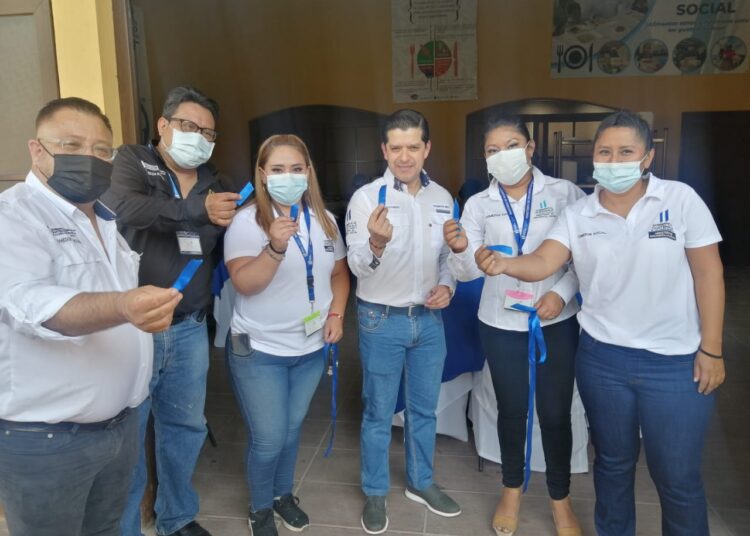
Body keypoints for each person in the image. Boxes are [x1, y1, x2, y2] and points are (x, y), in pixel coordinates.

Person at [475, 111, 725, 536]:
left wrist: (712, 349)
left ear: (647, 157)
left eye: (625, 152)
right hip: (603, 358)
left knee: (676, 475)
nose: (614, 161)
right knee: (612, 464)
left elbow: (709, 274)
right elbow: (544, 261)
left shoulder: (680, 199)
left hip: (673, 361)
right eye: (605, 152)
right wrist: (505, 264)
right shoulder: (580, 213)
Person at [0, 97, 182, 536]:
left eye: (102, 150)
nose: (89, 158)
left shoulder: (105, 220)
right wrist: (124, 306)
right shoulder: (14, 216)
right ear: (37, 150)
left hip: (117, 427)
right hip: (49, 439)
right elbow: (31, 304)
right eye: (72, 145)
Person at [102, 86, 240, 536]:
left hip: (188, 328)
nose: (199, 137)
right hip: (134, 328)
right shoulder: (132, 161)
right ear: (163, 125)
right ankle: (125, 527)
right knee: (128, 435)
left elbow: (216, 243)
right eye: (188, 126)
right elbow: (124, 208)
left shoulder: (215, 183)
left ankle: (176, 517)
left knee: (184, 428)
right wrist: (195, 210)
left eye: (208, 132)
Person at [443, 114, 585, 536]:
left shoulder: (564, 194)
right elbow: (467, 272)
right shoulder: (478, 204)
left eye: (510, 146)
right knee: (512, 409)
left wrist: (561, 293)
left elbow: (582, 258)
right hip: (500, 321)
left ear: (529, 148)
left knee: (555, 413)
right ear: (485, 158)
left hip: (554, 319)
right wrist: (460, 250)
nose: (502, 155)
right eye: (492, 150)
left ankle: (560, 500)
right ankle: (511, 491)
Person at [223, 134, 350, 536]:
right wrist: (275, 247)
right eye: (277, 169)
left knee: (291, 430)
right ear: (262, 175)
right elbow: (245, 283)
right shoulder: (247, 222)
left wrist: (336, 313)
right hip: (259, 350)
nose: (288, 176)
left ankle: (282, 494)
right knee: (268, 438)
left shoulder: (324, 220)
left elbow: (339, 273)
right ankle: (260, 508)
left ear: (308, 172)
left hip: (310, 348)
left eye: (296, 168)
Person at [346, 109, 461, 534]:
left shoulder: (443, 198)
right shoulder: (366, 199)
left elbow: (449, 257)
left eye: (413, 146)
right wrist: (376, 244)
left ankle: (421, 481)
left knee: (423, 409)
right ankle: (375, 491)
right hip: (381, 320)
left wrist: (447, 286)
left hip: (429, 321)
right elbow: (357, 267)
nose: (405, 156)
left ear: (427, 148)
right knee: (378, 412)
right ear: (384, 150)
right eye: (396, 147)